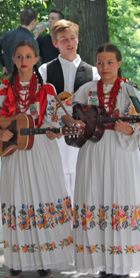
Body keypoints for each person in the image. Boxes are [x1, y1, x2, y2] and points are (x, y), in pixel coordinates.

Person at [0, 40, 73, 278]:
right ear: (13, 60)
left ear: (36, 59)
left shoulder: (47, 90)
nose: (23, 61)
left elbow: (63, 119)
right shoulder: (3, 89)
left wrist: (63, 128)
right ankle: (17, 261)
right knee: (18, 200)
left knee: (43, 198)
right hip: (14, 154)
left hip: (41, 151)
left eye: (28, 56)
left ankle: (44, 261)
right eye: (19, 56)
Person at [66, 43, 140, 278]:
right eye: (101, 62)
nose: (105, 67)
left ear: (119, 63)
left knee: (118, 199)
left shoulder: (129, 91)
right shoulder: (86, 90)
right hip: (93, 152)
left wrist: (128, 129)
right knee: (96, 199)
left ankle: (122, 263)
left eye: (110, 62)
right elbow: (67, 111)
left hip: (120, 154)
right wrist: (78, 123)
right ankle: (103, 262)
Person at [38, 20, 100, 199]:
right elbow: (41, 103)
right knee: (57, 185)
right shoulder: (45, 71)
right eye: (64, 39)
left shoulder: (92, 73)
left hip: (82, 136)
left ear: (78, 40)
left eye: (73, 38)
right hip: (56, 137)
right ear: (55, 43)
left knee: (83, 182)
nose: (69, 43)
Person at [0, 8, 39, 76]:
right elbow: (35, 65)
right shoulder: (31, 40)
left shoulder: (9, 34)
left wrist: (5, 63)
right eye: (36, 21)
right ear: (33, 21)